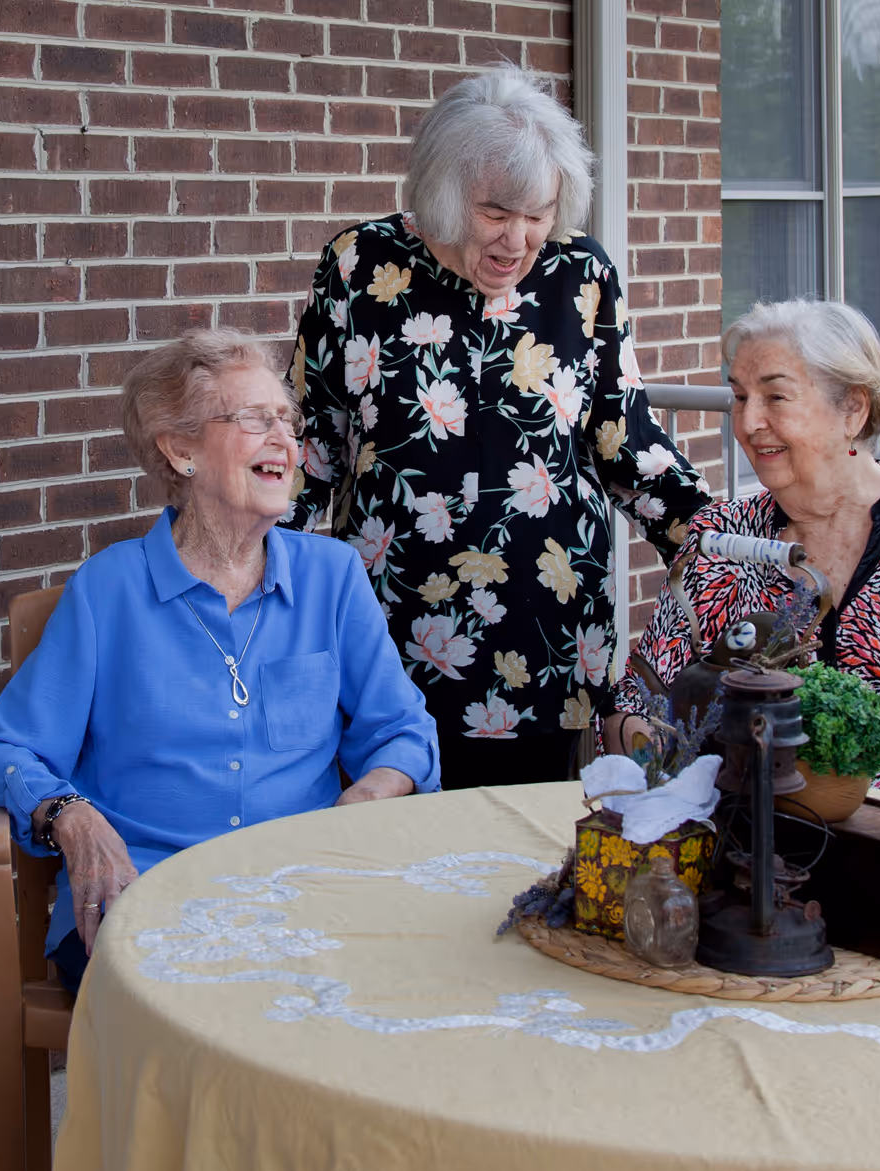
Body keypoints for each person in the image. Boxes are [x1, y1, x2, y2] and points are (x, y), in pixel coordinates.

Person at [0, 330, 441, 993]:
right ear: (181, 448)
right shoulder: (109, 593)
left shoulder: (332, 578)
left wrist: (373, 790)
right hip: (151, 901)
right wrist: (70, 817)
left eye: (288, 419)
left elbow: (403, 731)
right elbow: (7, 751)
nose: (285, 439)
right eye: (255, 418)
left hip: (306, 895)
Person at [286, 64, 710, 790]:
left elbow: (625, 442)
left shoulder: (582, 276)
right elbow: (314, 447)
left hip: (545, 632)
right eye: (495, 213)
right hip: (392, 627)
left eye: (539, 213)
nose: (519, 239)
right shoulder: (359, 265)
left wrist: (721, 542)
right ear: (444, 193)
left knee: (518, 866)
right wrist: (254, 577)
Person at [605, 299, 880, 802]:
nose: (748, 422)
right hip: (741, 829)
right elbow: (635, 703)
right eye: (740, 397)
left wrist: (856, 798)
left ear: (852, 408)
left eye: (776, 398)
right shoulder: (723, 536)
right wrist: (675, 760)